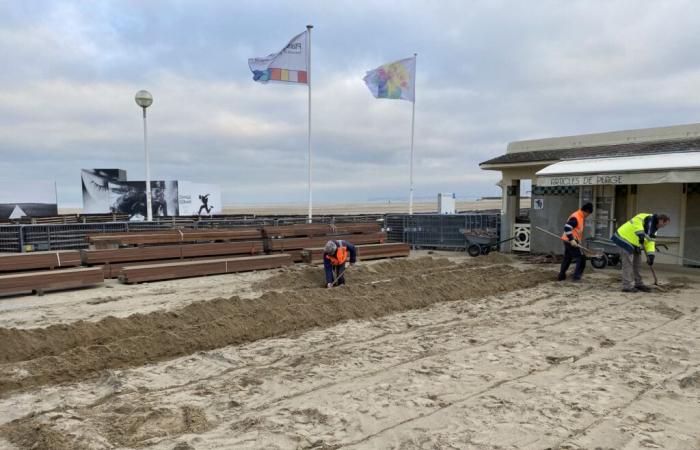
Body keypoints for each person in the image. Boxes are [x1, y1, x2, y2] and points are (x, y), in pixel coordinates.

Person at [611, 213, 670, 293]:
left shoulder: (654, 231)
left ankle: (638, 283)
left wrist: (651, 255)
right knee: (628, 263)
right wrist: (641, 233)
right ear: (661, 221)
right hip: (623, 237)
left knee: (638, 263)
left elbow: (650, 243)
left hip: (635, 242)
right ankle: (627, 286)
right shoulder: (645, 217)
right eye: (664, 224)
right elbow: (636, 221)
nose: (663, 227)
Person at [558, 202, 594, 281]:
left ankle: (561, 276)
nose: (588, 216)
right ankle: (576, 277)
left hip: (569, 240)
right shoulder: (576, 217)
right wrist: (571, 240)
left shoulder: (580, 216)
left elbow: (576, 231)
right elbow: (567, 227)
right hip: (570, 241)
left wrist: (577, 240)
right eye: (588, 214)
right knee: (581, 258)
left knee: (567, 258)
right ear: (586, 211)